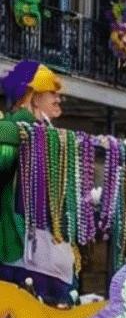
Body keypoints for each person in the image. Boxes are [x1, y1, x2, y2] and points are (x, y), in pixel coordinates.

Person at [0, 61, 77, 305]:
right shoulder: (12, 130)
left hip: (48, 257)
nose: (58, 99)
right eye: (52, 92)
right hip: (18, 254)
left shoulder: (51, 137)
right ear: (33, 96)